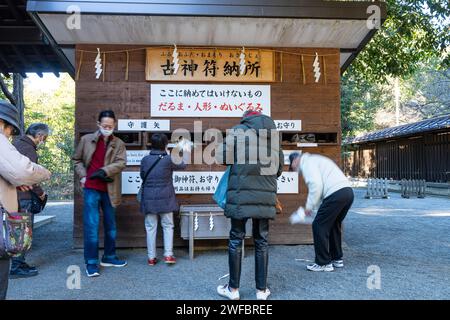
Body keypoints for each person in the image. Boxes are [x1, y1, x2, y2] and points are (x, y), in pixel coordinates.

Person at [216, 110, 284, 300]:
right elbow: (278, 170)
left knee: (236, 239)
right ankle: (261, 291)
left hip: (240, 195)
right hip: (264, 196)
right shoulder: (274, 135)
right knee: (261, 241)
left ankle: (233, 290)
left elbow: (221, 158)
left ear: (246, 119)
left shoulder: (238, 131)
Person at [0, 100, 51, 299]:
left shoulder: (17, 144)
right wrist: (45, 174)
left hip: (18, 194)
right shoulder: (13, 144)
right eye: (10, 131)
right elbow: (24, 170)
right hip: (19, 202)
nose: (9, 135)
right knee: (19, 235)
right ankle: (19, 264)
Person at [72, 110, 127, 277]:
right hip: (91, 188)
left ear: (114, 125)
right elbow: (76, 160)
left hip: (110, 189)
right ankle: (91, 262)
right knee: (91, 227)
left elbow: (121, 162)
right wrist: (83, 176)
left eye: (110, 126)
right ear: (98, 124)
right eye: (105, 126)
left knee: (111, 227)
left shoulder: (118, 143)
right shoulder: (86, 140)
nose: (107, 128)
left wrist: (104, 171)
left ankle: (109, 256)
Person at [289, 152, 354, 272]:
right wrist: (314, 209)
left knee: (319, 225)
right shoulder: (315, 159)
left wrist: (308, 208)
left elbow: (316, 185)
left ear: (295, 161)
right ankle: (337, 259)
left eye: (292, 166)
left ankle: (323, 262)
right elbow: (321, 189)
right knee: (334, 224)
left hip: (335, 194)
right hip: (347, 192)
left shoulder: (306, 163)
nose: (294, 169)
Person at [140, 133, 188, 266]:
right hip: (166, 198)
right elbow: (183, 165)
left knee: (150, 227)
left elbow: (143, 175)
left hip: (149, 197)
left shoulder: (145, 160)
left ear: (151, 144)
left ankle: (151, 257)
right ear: (166, 145)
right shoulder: (169, 159)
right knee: (168, 226)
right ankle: (168, 255)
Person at [10, 123, 50, 278]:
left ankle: (17, 263)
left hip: (12, 195)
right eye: (44, 138)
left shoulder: (16, 144)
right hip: (24, 196)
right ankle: (17, 266)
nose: (43, 141)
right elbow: (30, 175)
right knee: (23, 231)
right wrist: (40, 193)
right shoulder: (28, 149)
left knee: (15, 230)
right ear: (39, 135)